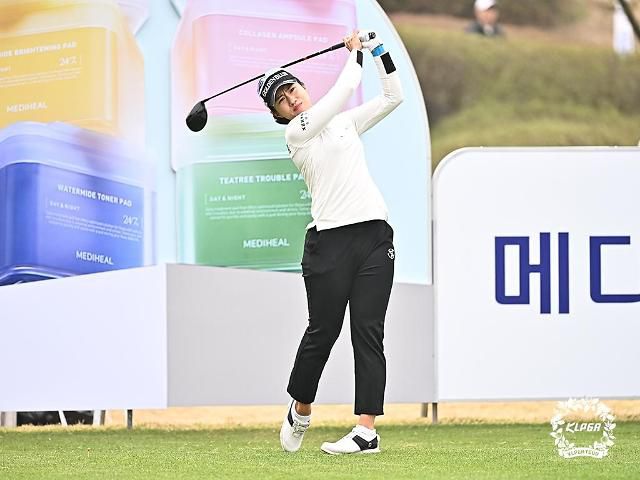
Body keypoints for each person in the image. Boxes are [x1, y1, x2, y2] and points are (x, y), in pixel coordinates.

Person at [257, 30, 403, 455]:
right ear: (278, 114)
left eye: (293, 89)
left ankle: (366, 431)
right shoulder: (296, 134)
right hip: (329, 243)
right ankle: (300, 409)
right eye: (281, 100)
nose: (291, 99)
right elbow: (343, 90)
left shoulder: (344, 123)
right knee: (323, 331)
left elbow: (393, 96)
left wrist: (378, 50)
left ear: (303, 86)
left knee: (368, 331)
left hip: (374, 235)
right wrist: (354, 56)